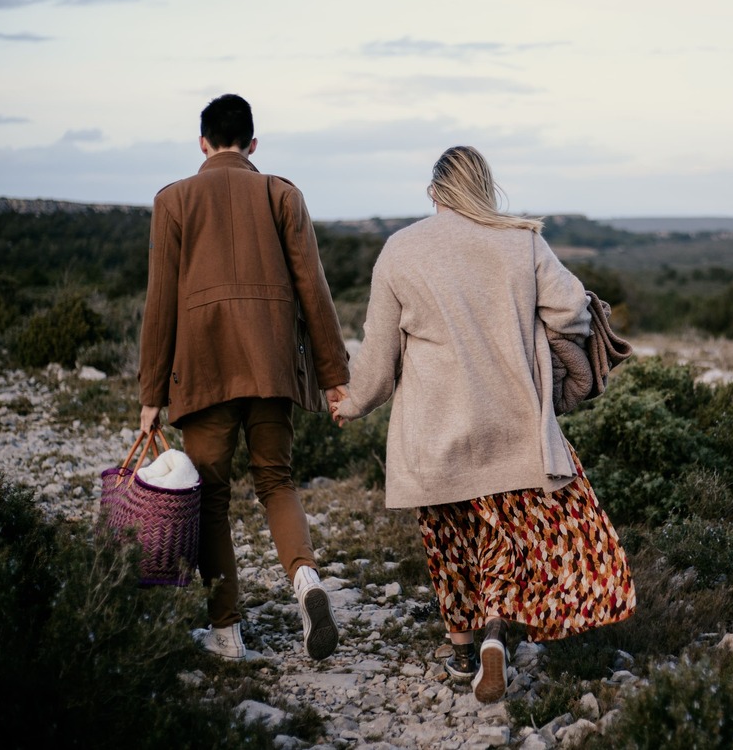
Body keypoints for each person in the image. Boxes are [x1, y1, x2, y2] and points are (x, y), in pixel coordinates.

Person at [330, 146, 635, 703]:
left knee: (450, 540)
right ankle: (496, 637)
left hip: (434, 433)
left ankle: (461, 648)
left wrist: (353, 403)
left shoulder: (400, 250)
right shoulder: (523, 240)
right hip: (511, 424)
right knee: (502, 538)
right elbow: (572, 310)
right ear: (485, 189)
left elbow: (378, 358)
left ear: (434, 193)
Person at [138, 94, 349, 662]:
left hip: (202, 369)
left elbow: (160, 303)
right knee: (275, 482)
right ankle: (305, 581)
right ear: (253, 144)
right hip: (271, 364)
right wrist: (334, 375)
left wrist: (150, 393)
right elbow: (315, 289)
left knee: (210, 497)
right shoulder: (282, 194)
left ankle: (227, 634)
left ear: (202, 143)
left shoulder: (173, 200)